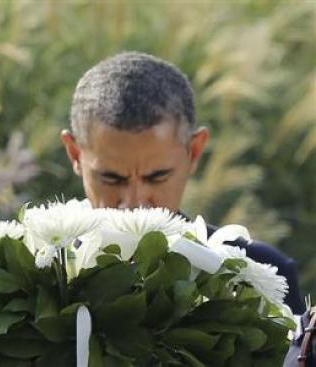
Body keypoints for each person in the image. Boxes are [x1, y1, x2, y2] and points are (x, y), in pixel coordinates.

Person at [61, 51, 305, 314]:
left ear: (194, 152)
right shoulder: (33, 272)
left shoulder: (261, 276)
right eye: (111, 178)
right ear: (75, 154)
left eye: (156, 177)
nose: (134, 202)